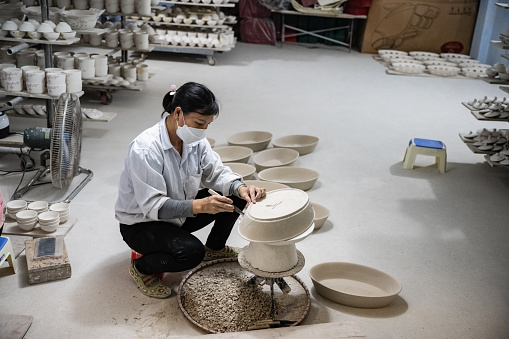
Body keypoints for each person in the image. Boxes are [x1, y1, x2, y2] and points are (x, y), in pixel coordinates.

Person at [115, 82, 266, 299]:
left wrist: (241, 187)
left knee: (234, 197)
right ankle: (141, 267)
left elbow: (216, 172)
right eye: (199, 123)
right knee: (191, 253)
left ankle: (214, 247)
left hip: (180, 213)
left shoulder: (195, 142)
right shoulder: (146, 149)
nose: (203, 130)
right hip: (142, 224)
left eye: (207, 125)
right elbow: (153, 207)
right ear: (178, 113)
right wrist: (201, 206)